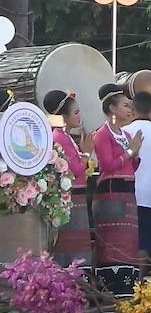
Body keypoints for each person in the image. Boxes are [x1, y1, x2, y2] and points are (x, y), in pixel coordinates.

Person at [92, 84, 143, 294]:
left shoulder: (126, 134)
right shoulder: (101, 134)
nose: (130, 110)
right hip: (111, 195)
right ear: (112, 109)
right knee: (112, 243)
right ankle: (111, 287)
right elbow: (108, 165)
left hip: (128, 194)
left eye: (130, 106)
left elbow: (131, 166)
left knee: (129, 242)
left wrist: (135, 154)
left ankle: (127, 287)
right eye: (125, 105)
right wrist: (132, 151)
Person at [43, 90, 94, 268]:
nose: (80, 117)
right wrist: (87, 152)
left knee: (78, 244)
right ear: (64, 116)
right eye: (76, 113)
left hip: (77, 197)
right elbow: (75, 169)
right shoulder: (59, 137)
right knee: (72, 246)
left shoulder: (66, 137)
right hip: (70, 198)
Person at [122, 92, 151, 270]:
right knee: (143, 239)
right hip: (148, 194)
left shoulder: (125, 131)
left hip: (125, 192)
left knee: (124, 237)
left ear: (132, 108)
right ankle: (139, 283)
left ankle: (124, 278)